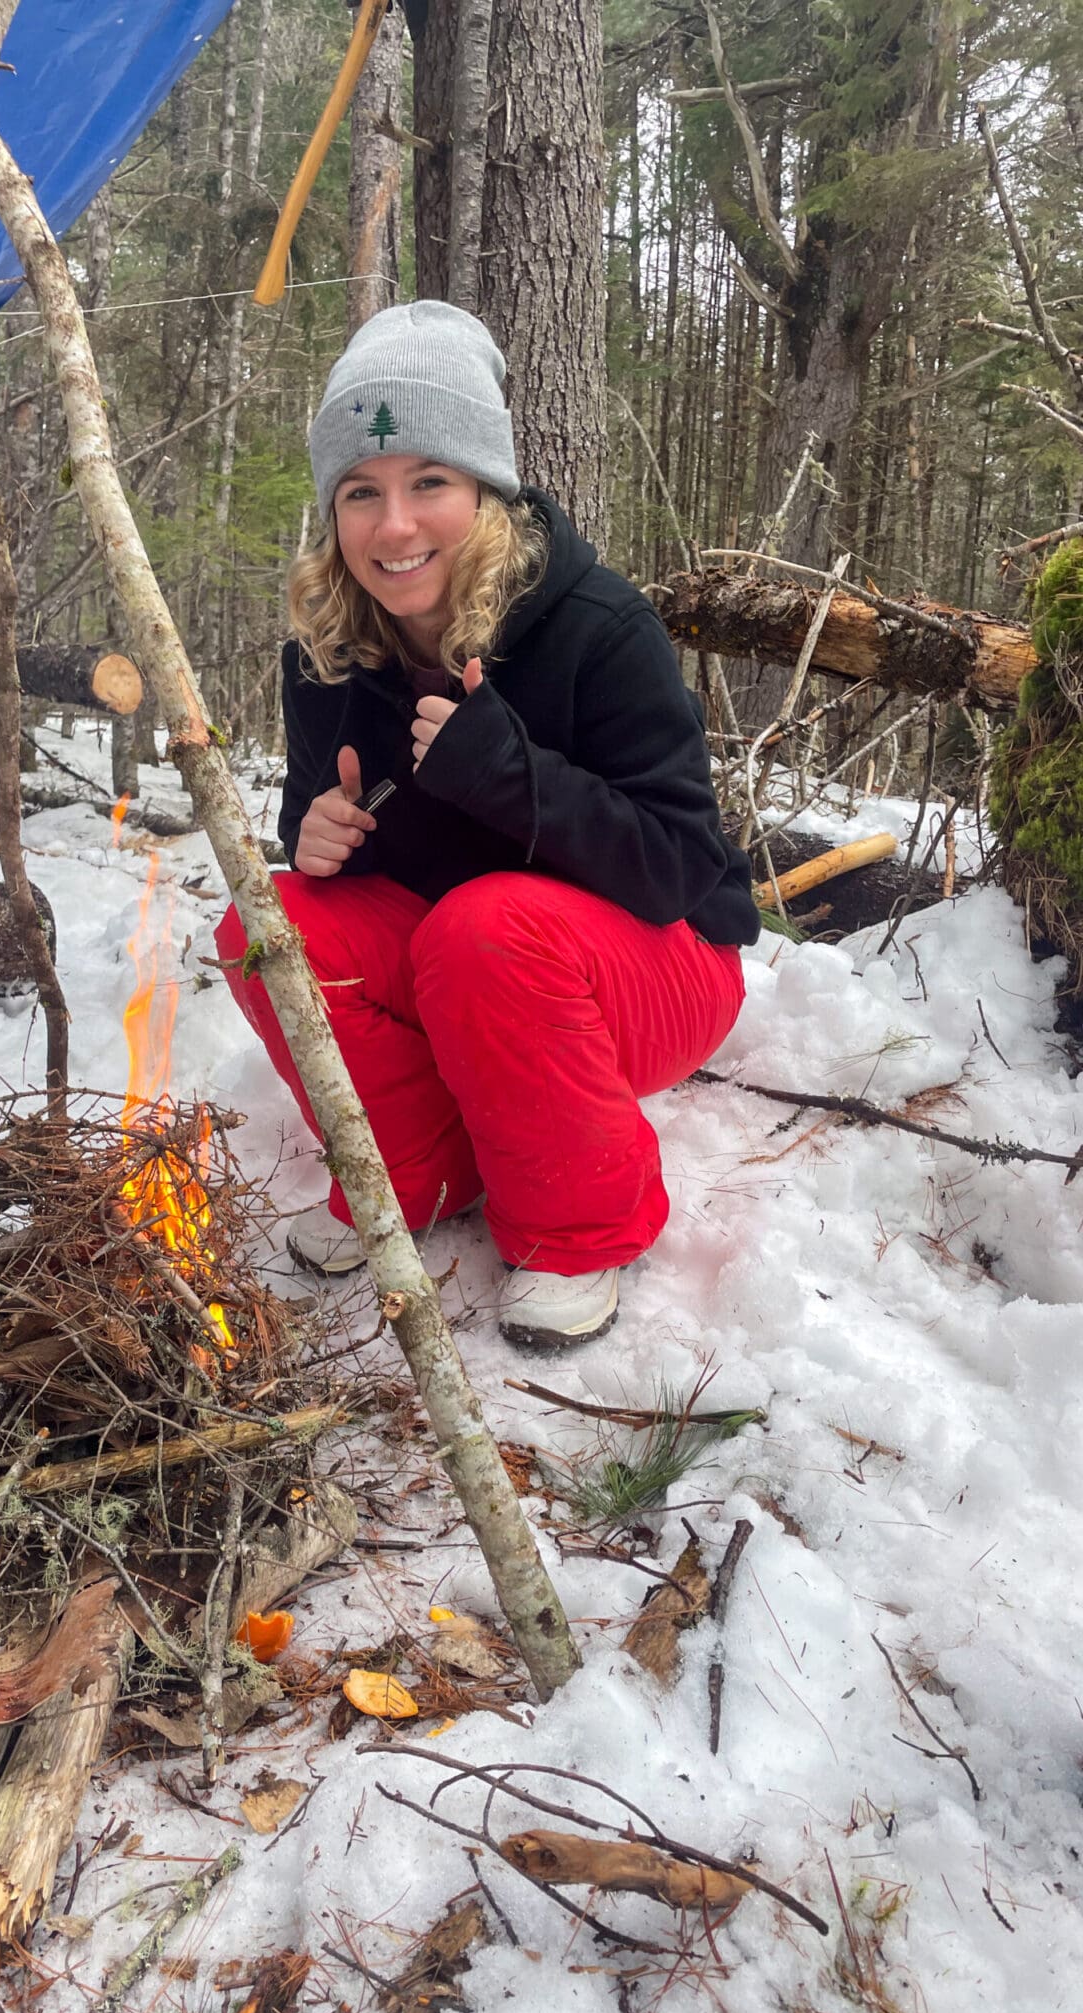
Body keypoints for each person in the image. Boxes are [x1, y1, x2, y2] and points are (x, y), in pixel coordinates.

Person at [215, 302, 759, 1350]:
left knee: (486, 924)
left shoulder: (598, 626)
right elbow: (311, 820)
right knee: (265, 926)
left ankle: (580, 1225)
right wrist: (313, 832)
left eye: (430, 482)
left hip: (662, 962)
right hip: (469, 971)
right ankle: (418, 1169)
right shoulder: (326, 648)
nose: (395, 524)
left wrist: (512, 777)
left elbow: (682, 865)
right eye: (362, 492)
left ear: (485, 490)